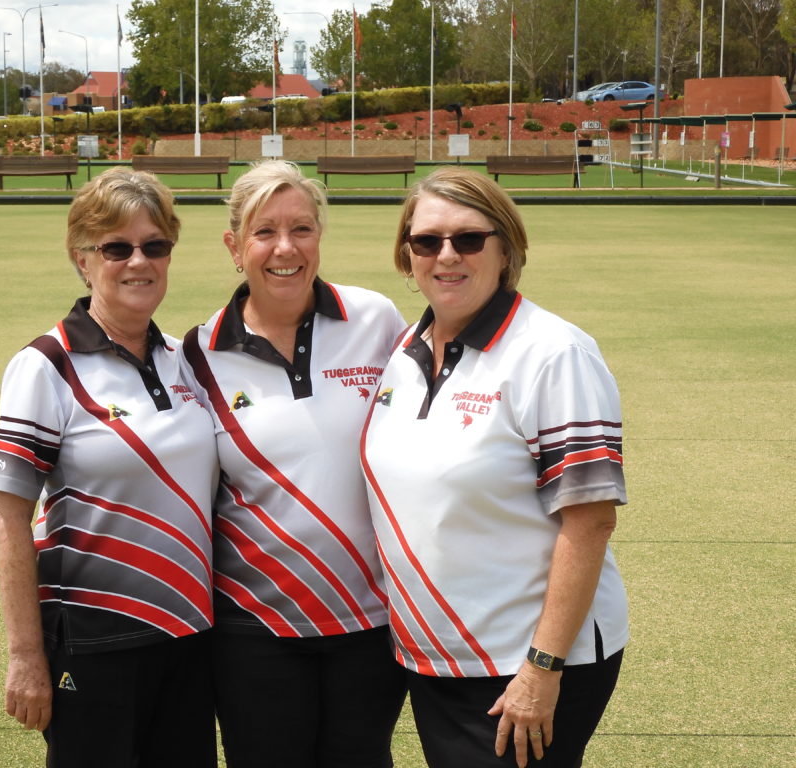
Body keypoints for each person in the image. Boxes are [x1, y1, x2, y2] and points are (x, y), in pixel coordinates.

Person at [361, 167, 628, 768]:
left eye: (468, 239)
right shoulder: (405, 351)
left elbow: (590, 523)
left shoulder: (554, 353)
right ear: (407, 256)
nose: (446, 255)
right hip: (434, 656)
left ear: (506, 247)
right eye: (426, 241)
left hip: (523, 664)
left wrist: (542, 668)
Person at [0, 167, 218, 767]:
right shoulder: (45, 364)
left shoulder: (180, 359)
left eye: (154, 246)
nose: (139, 261)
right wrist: (25, 656)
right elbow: (9, 518)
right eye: (117, 247)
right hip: (91, 642)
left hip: (189, 638)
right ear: (82, 259)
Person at [180, 160, 408, 768]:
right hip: (255, 627)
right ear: (234, 246)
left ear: (320, 236)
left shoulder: (377, 320)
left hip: (372, 619)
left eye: (301, 229)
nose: (285, 248)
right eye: (264, 232)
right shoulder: (197, 355)